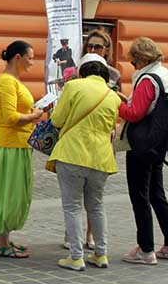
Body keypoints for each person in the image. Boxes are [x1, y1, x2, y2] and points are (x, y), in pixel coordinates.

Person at [49, 53, 120, 271]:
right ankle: (100, 254)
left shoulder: (74, 87)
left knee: (72, 206)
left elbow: (57, 119)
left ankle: (76, 256)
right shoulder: (113, 96)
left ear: (82, 71)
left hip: (72, 154)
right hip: (101, 158)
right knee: (96, 206)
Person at [63, 29, 120, 250]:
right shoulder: (73, 72)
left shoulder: (113, 75)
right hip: (79, 137)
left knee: (90, 199)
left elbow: (116, 108)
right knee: (78, 197)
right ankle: (73, 236)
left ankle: (89, 237)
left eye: (98, 47)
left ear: (107, 51)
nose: (94, 50)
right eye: (90, 46)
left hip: (100, 139)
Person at [0, 40, 43, 258]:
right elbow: (11, 117)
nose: (32, 62)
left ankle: (5, 239)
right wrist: (34, 116)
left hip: (19, 143)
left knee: (14, 192)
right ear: (17, 57)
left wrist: (33, 111)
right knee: (8, 193)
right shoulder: (7, 83)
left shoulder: (13, 81)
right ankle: (2, 242)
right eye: (30, 57)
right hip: (10, 144)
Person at [118, 37, 168, 265]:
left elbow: (135, 113)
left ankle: (146, 249)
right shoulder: (165, 74)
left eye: (132, 62)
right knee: (157, 194)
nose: (132, 66)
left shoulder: (148, 79)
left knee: (139, 195)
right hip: (159, 142)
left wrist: (118, 103)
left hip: (142, 144)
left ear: (139, 59)